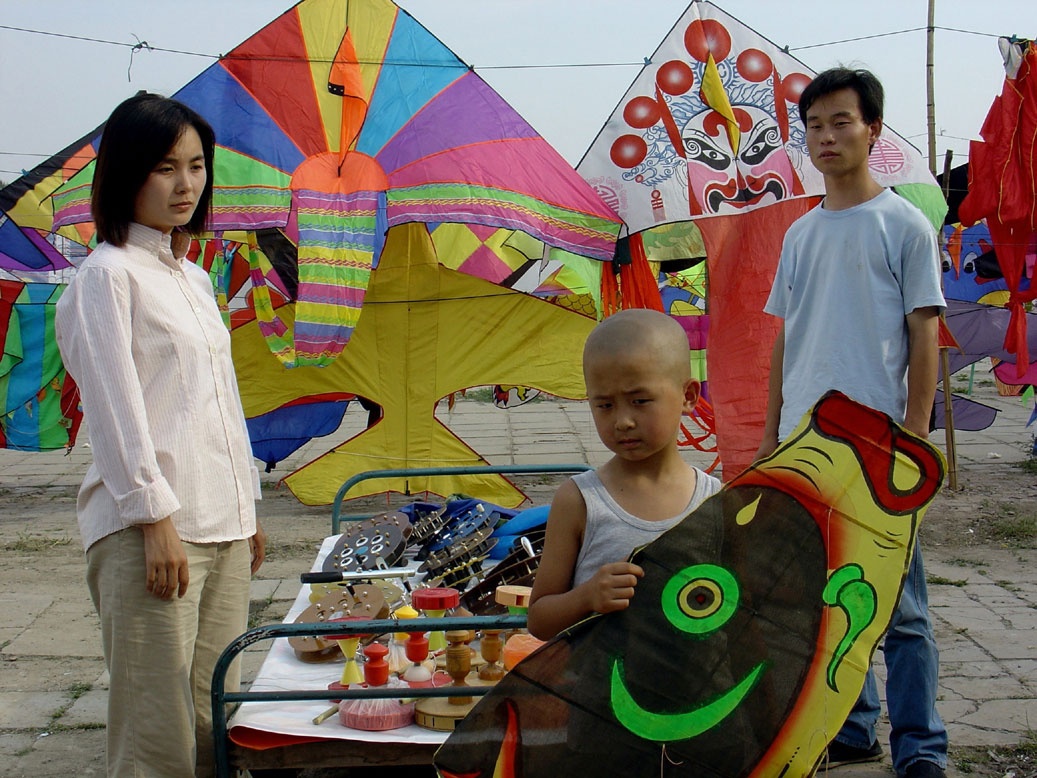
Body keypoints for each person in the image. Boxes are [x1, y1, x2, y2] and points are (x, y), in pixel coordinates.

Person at [55, 93, 266, 778]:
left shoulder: (195, 278)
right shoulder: (106, 276)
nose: (185, 184)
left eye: (196, 166)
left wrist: (246, 506)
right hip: (151, 530)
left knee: (213, 716)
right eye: (165, 167)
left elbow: (217, 401)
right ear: (126, 173)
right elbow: (115, 411)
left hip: (221, 523)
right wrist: (154, 521)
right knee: (157, 734)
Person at [755, 68, 947, 778]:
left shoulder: (903, 225)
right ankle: (855, 729)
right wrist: (770, 438)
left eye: (841, 122)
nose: (826, 137)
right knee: (826, 597)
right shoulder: (800, 234)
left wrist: (914, 433)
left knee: (903, 609)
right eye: (814, 126)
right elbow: (786, 339)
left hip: (877, 446)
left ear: (872, 130)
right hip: (805, 447)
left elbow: (924, 332)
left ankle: (921, 746)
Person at [527, 308, 721, 640]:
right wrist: (586, 597)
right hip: (599, 674)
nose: (623, 421)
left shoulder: (715, 500)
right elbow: (539, 620)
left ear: (688, 396)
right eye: (604, 405)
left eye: (640, 401)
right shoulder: (581, 501)